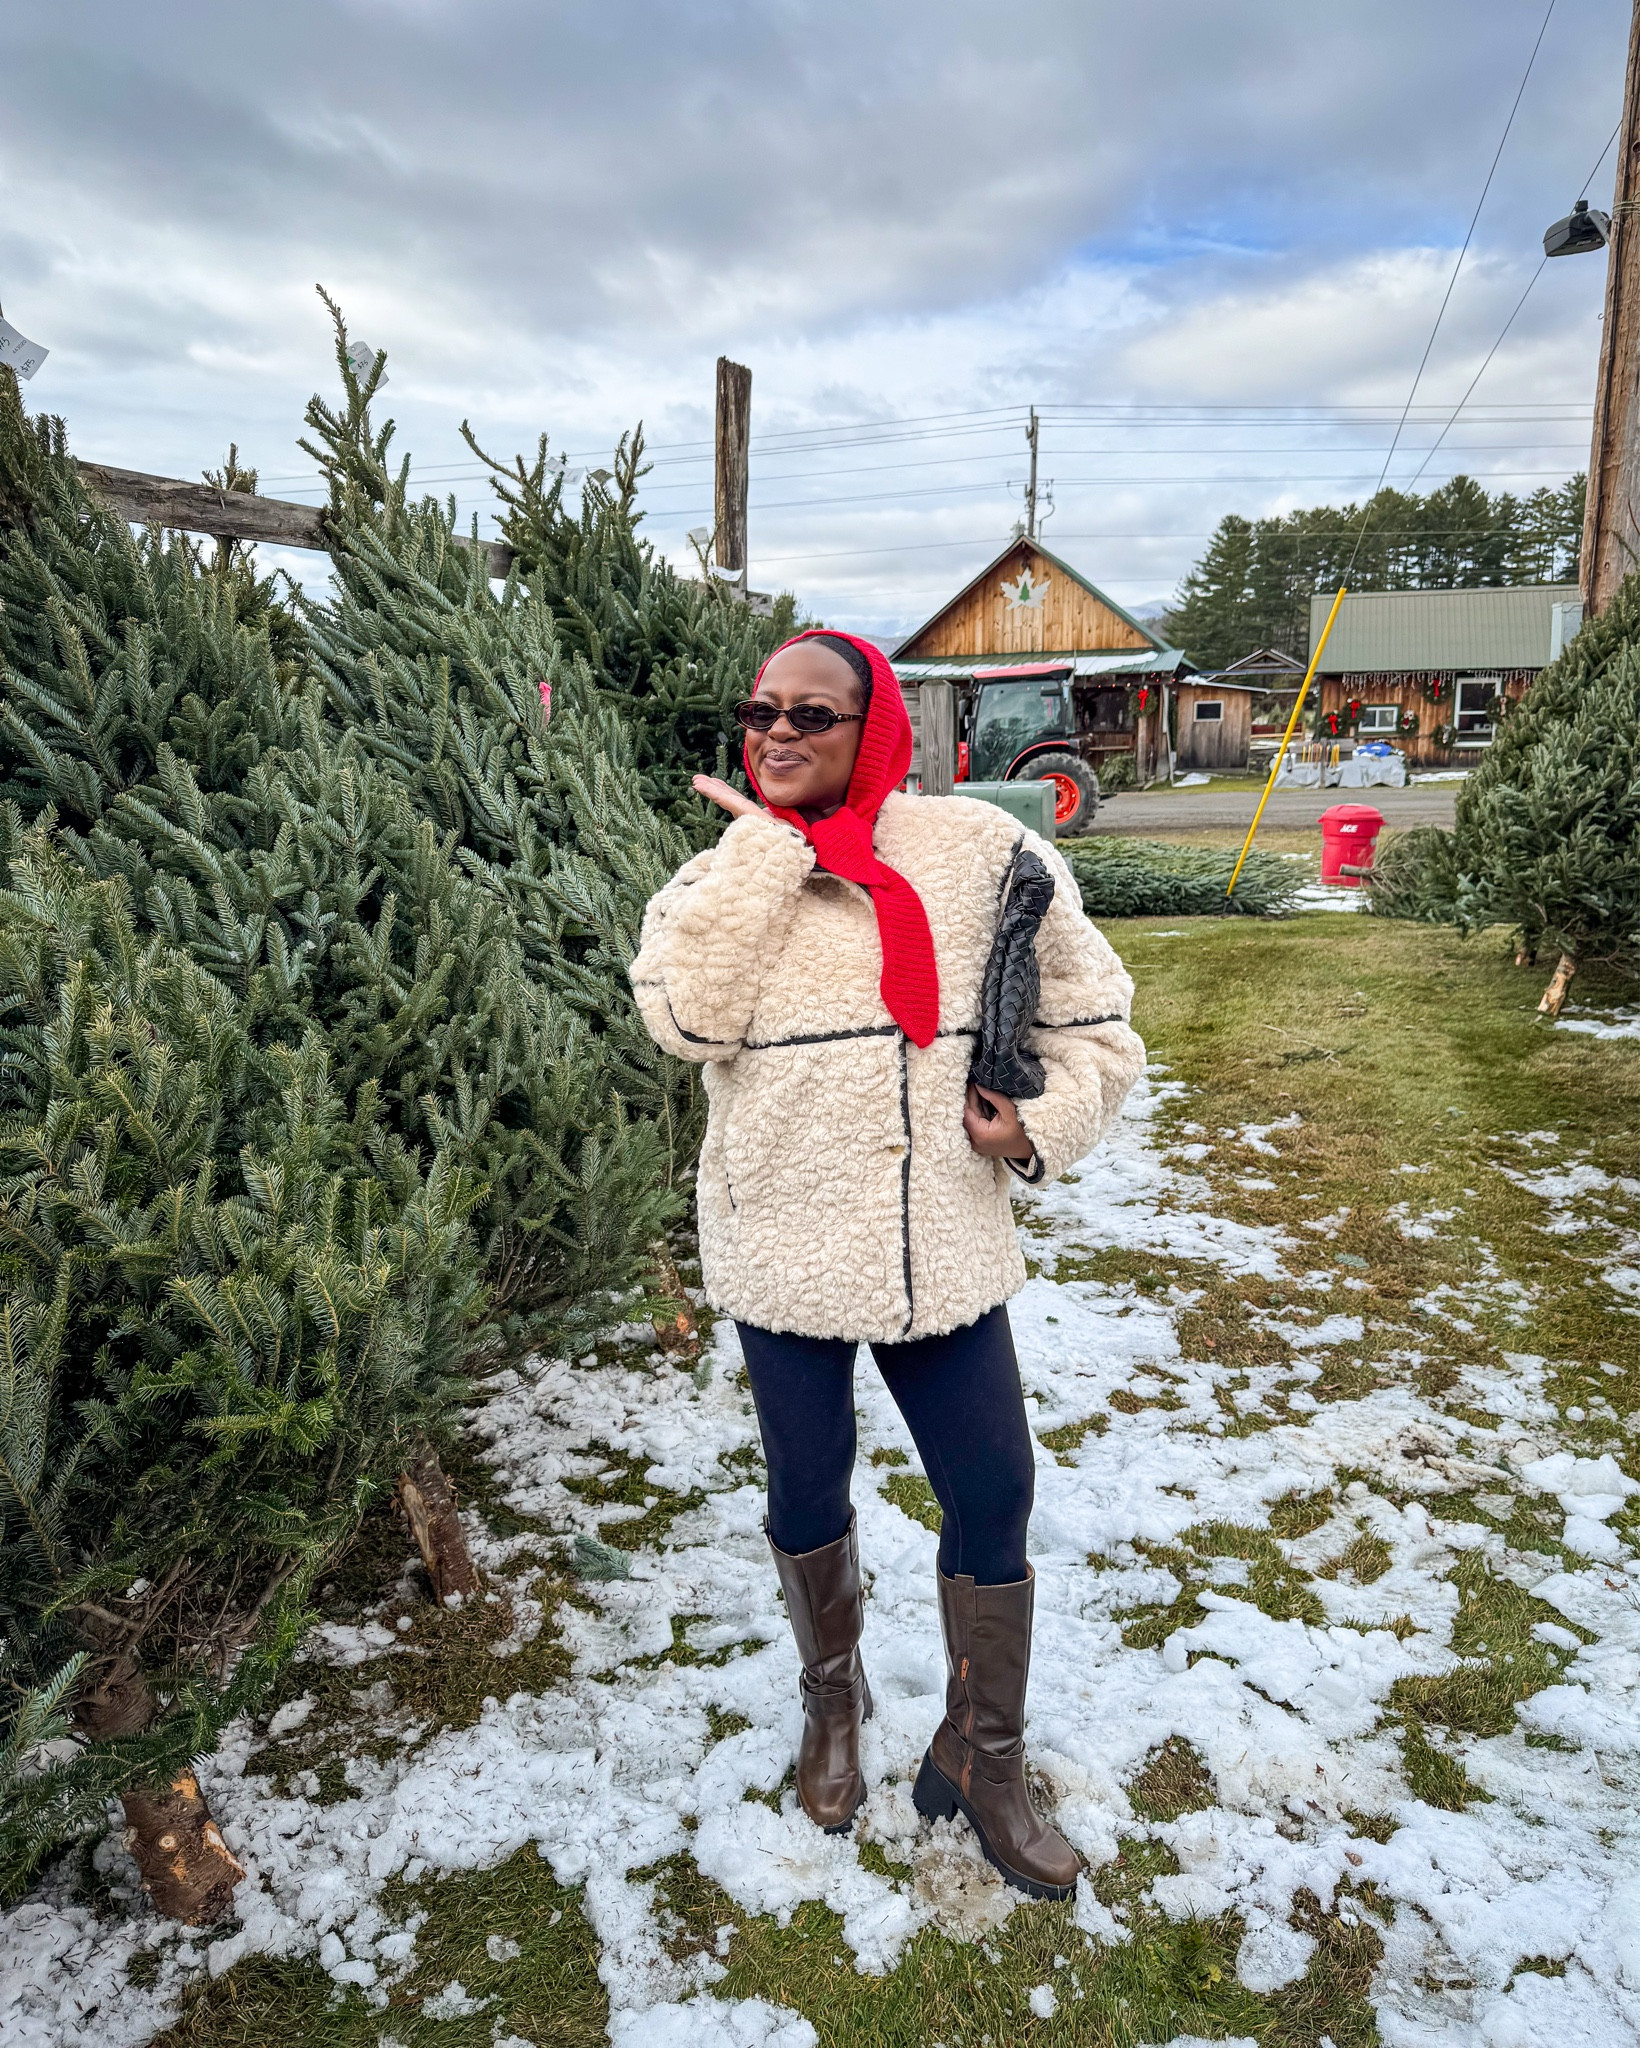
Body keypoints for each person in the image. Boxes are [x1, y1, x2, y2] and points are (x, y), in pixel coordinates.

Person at [630, 628, 1144, 1899]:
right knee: (809, 1494)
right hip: (784, 1249)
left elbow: (1096, 1026)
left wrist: (1036, 1123)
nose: (780, 730)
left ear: (878, 728)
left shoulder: (980, 849)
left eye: (814, 709)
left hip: (939, 1252)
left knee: (994, 1490)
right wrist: (765, 846)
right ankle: (832, 1700)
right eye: (761, 710)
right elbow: (684, 1019)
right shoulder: (716, 874)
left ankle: (982, 1751)